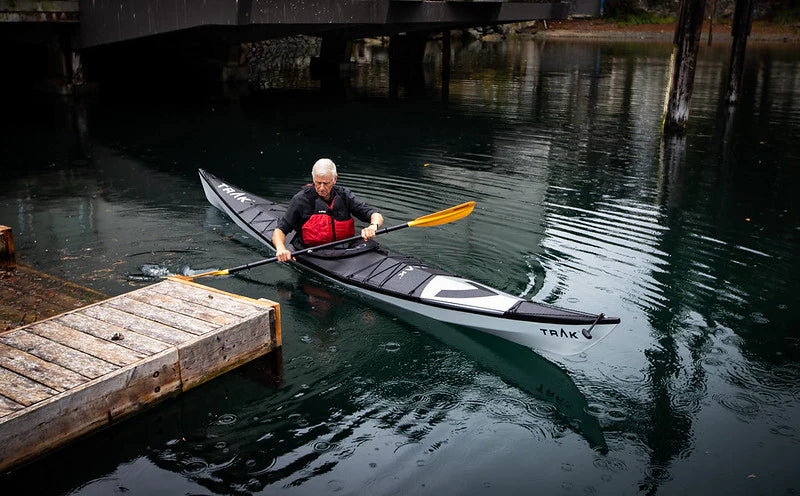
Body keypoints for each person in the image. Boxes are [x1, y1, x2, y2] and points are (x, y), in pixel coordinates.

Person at [273, 158, 384, 262]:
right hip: (313, 252)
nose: (321, 188)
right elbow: (280, 231)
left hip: (346, 250)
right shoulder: (301, 200)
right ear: (313, 179)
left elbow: (374, 214)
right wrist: (281, 248)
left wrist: (373, 226)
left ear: (335, 179)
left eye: (326, 183)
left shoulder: (344, 195)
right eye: (317, 182)